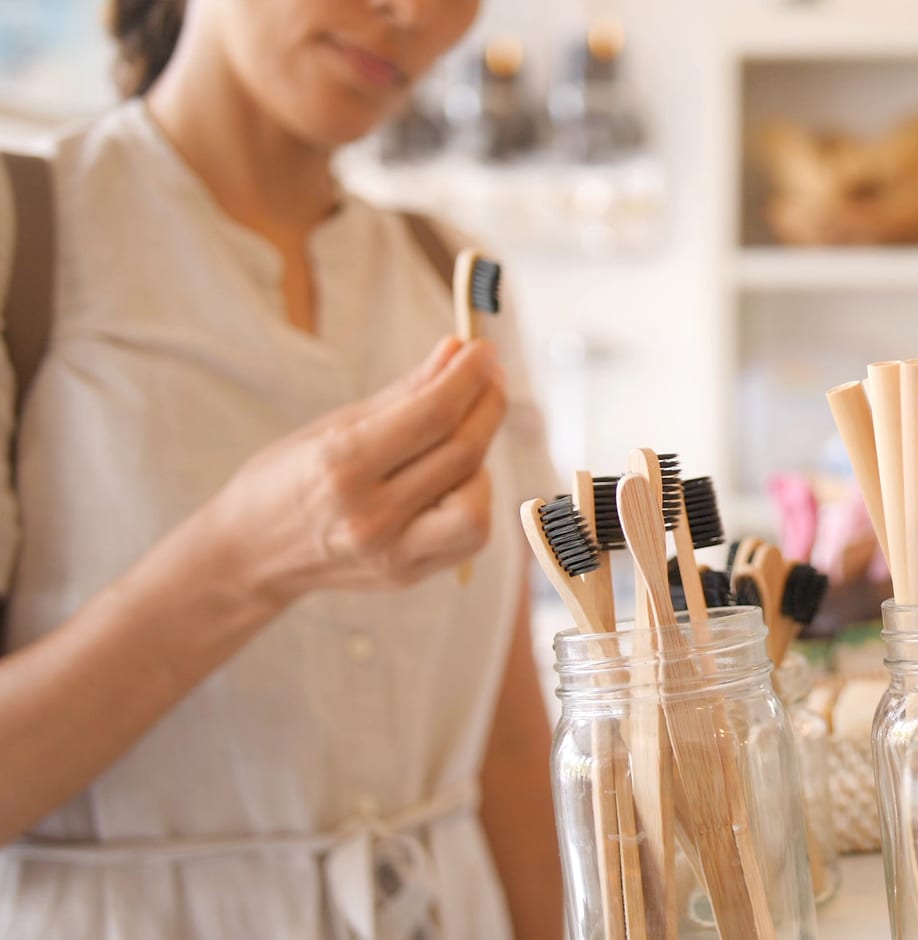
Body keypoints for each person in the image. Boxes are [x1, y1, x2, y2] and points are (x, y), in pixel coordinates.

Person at [0, 1, 563, 937]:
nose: (415, 13)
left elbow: (503, 736)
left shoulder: (456, 277)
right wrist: (243, 560)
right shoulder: (28, 240)